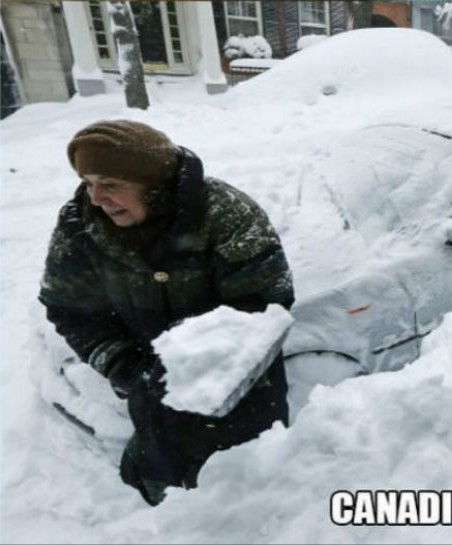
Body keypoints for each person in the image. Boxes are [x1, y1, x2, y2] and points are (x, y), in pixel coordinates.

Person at [39, 120, 295, 505]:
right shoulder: (80, 223)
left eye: (110, 184)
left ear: (153, 184)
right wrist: (125, 364)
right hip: (145, 376)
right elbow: (70, 308)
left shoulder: (225, 213)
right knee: (164, 480)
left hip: (240, 377)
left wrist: (188, 359)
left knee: (251, 490)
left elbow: (264, 302)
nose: (95, 198)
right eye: (88, 182)